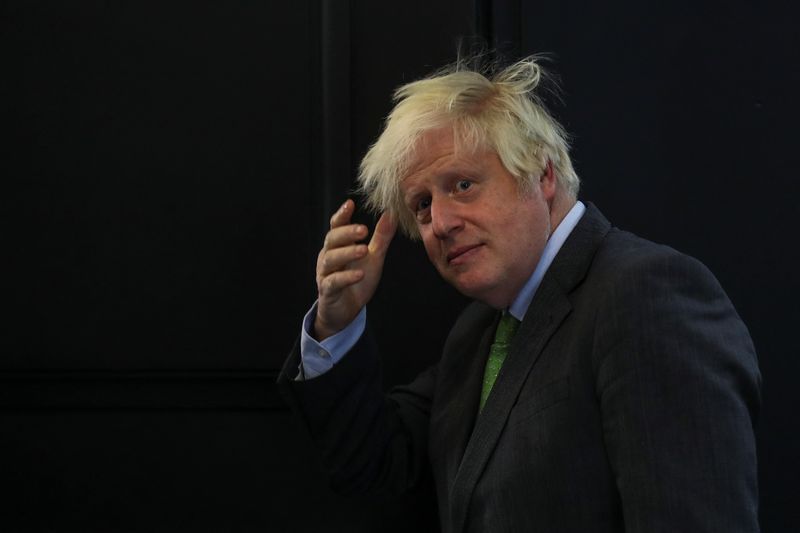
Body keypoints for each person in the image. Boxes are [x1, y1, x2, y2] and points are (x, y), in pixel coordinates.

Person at [277, 54, 761, 532]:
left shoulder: (646, 295)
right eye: (422, 205)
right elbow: (374, 469)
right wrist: (335, 326)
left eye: (463, 184)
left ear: (542, 175)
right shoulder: (479, 331)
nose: (441, 224)